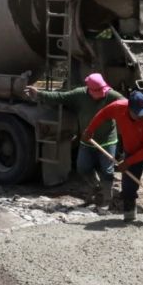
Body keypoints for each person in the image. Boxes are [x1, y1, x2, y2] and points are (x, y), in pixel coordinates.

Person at [25, 73, 124, 207]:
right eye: (98, 92)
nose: (102, 94)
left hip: (108, 140)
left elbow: (127, 105)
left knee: (107, 171)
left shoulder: (112, 96)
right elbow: (60, 97)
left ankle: (106, 200)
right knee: (82, 168)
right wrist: (40, 94)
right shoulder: (79, 95)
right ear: (89, 89)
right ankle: (95, 187)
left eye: (103, 90)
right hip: (87, 140)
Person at [82, 91, 143, 222]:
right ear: (129, 109)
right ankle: (129, 215)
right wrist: (90, 130)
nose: (142, 116)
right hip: (131, 150)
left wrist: (128, 162)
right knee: (128, 186)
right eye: (138, 113)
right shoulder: (118, 107)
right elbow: (103, 114)